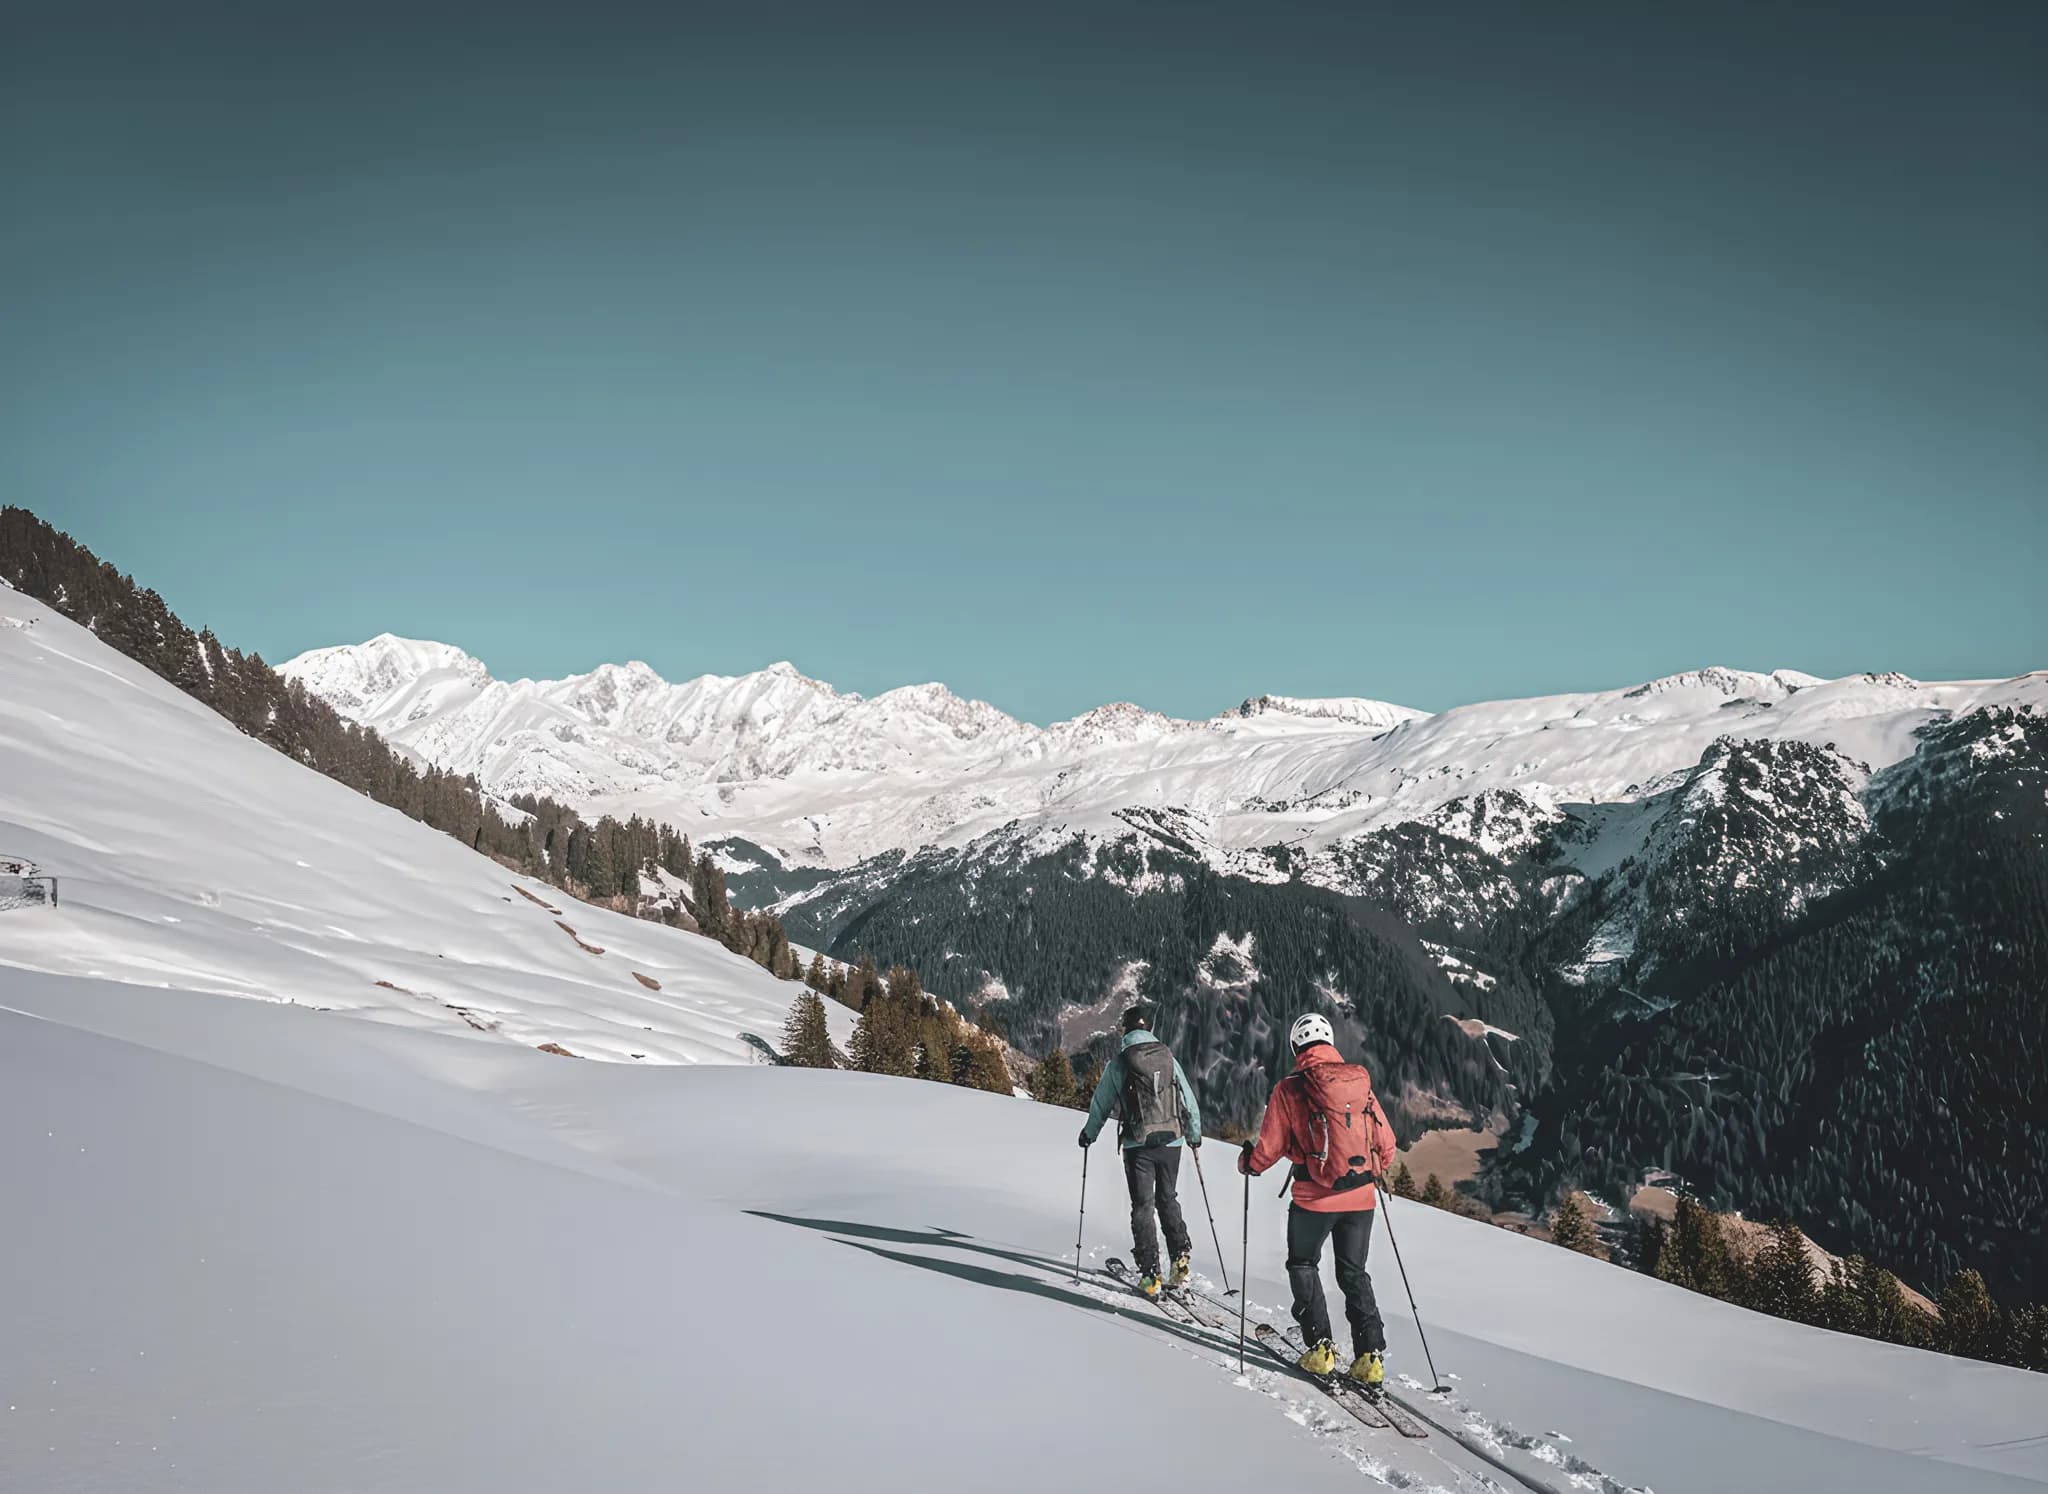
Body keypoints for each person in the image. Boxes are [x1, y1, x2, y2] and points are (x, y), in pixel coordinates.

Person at [1238, 1012, 1399, 1388]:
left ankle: (1321, 1348)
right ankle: (1371, 1356)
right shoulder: (1360, 1083)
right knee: (1354, 1273)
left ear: (1297, 1046)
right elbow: (1386, 1145)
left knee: (1303, 1264)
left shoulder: (1290, 1089)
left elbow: (1270, 1147)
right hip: (1361, 1198)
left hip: (1313, 1198)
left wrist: (1249, 1163)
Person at [1078, 1001, 1203, 1298]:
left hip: (1139, 1145)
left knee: (1143, 1207)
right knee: (1168, 1198)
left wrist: (1089, 1134)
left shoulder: (1120, 1062)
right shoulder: (1168, 1057)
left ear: (1126, 1030)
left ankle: (1150, 1274)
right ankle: (1180, 1259)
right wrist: (1194, 1135)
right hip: (1172, 1141)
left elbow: (1101, 1103)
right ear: (1149, 1030)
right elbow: (1188, 1097)